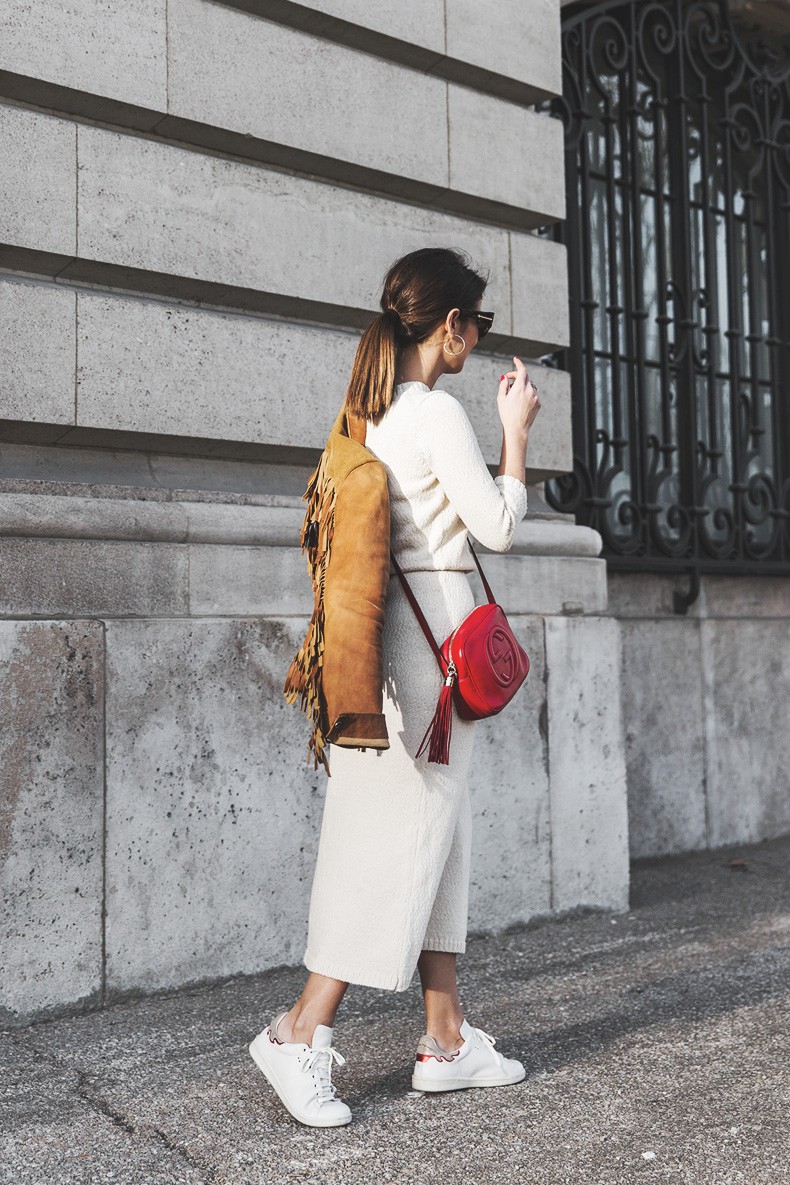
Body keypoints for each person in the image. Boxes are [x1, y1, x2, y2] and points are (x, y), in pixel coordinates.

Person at [249, 247, 541, 1127]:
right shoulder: (435, 413)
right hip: (434, 667)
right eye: (476, 325)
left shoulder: (368, 413)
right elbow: (496, 526)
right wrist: (517, 437)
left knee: (435, 843)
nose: (479, 342)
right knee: (391, 849)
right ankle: (299, 1031)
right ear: (449, 325)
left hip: (403, 659)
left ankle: (445, 1038)